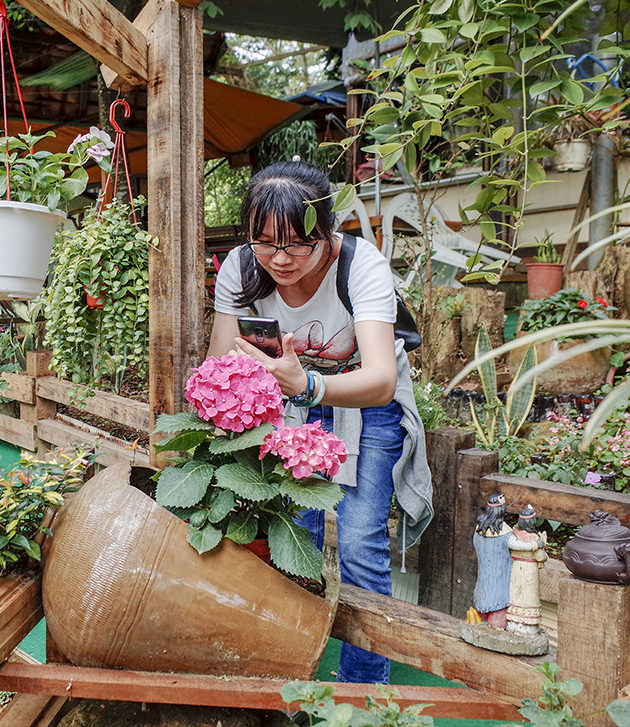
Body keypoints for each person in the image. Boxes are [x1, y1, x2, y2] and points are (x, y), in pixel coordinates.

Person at [209, 160, 434, 684]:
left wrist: (306, 385)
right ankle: (294, 667)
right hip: (292, 400)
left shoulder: (362, 268)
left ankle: (363, 687)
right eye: (265, 243)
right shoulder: (242, 268)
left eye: (296, 245)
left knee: (359, 541)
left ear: (327, 232)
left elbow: (379, 378)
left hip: (367, 403)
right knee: (296, 535)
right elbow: (222, 361)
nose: (280, 259)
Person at [471, 491, 513, 629]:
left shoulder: (479, 528)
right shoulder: (506, 534)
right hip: (500, 594)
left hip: (482, 589)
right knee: (497, 624)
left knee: (480, 619)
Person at [507, 505, 548, 634]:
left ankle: (513, 623)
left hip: (516, 568)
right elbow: (540, 557)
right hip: (529, 569)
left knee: (515, 594)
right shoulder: (535, 538)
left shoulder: (514, 535)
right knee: (528, 596)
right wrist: (542, 547)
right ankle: (528, 626)